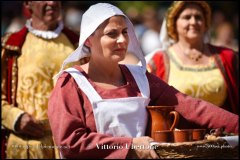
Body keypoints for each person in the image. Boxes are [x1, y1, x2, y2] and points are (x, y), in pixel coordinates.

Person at [47, 3, 238, 159]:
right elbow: (70, 142)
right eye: (112, 34)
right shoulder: (72, 83)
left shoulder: (140, 78)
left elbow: (192, 107)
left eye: (125, 32)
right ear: (88, 40)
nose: (122, 40)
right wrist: (130, 145)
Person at [1, 1, 80, 159]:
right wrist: (15, 117)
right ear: (28, 3)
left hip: (71, 147)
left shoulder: (78, 45)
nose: (51, 2)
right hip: (27, 148)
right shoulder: (11, 46)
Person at [146, 1, 238, 114]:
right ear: (174, 23)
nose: (193, 22)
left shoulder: (227, 57)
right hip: (177, 130)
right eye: (187, 17)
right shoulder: (158, 61)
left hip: (223, 130)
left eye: (198, 17)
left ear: (205, 23)